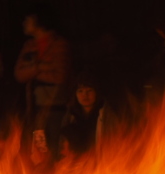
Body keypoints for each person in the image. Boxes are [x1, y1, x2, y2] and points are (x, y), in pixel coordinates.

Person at [14, 5, 71, 157]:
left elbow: (60, 76)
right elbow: (19, 74)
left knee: (54, 151)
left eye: (27, 19)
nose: (24, 23)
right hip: (33, 108)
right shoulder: (29, 46)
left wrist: (33, 69)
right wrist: (42, 67)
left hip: (55, 109)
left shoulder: (58, 44)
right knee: (33, 154)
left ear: (37, 20)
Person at [60, 74, 104, 156]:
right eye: (80, 91)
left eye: (89, 91)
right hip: (78, 161)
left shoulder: (104, 115)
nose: (85, 95)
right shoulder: (71, 115)